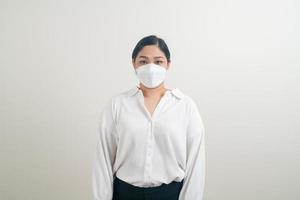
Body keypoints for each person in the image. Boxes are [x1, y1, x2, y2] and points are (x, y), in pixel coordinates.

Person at [92, 35, 206, 200]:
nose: (151, 68)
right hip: (125, 194)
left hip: (170, 195)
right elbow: (102, 160)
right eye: (143, 61)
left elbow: (196, 164)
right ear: (134, 63)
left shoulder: (185, 106)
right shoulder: (117, 105)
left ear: (168, 64)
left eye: (158, 61)